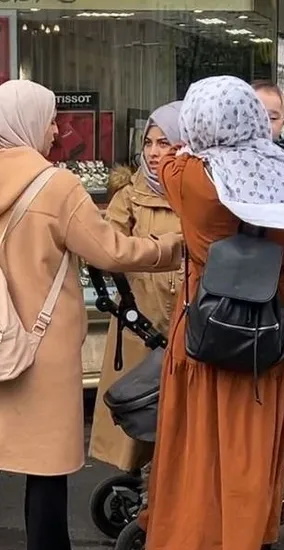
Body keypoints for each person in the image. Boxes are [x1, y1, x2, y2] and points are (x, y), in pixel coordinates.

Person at [0, 80, 183, 550]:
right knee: (46, 459)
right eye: (48, 119)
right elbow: (111, 251)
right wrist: (175, 247)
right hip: (42, 346)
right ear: (27, 124)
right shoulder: (57, 186)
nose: (55, 128)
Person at [144, 76, 284, 550]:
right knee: (257, 452)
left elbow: (168, 157)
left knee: (209, 453)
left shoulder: (190, 178)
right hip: (275, 327)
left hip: (211, 324)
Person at [89, 102, 185, 475]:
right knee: (138, 414)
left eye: (165, 143)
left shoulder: (201, 190)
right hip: (140, 322)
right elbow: (106, 246)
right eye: (149, 142)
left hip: (186, 318)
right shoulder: (130, 194)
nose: (155, 152)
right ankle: (137, 488)